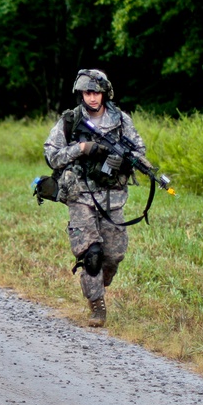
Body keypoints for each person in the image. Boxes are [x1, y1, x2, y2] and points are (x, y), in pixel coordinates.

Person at [44, 69, 156, 327]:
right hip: (80, 195)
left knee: (113, 255)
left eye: (96, 92)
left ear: (105, 93)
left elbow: (139, 149)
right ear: (81, 93)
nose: (92, 98)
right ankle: (97, 306)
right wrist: (81, 149)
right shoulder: (70, 121)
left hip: (112, 197)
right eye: (87, 93)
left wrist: (126, 162)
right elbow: (52, 155)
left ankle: (97, 284)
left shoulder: (120, 120)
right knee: (92, 253)